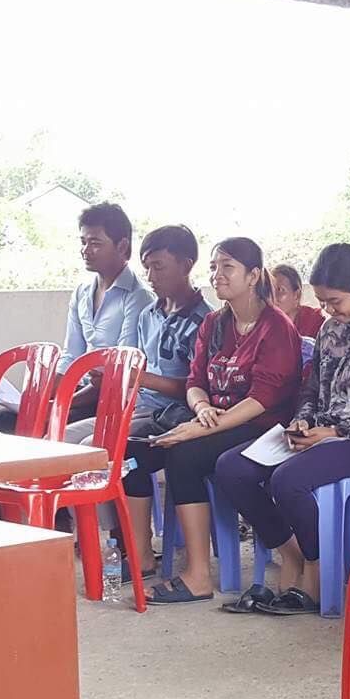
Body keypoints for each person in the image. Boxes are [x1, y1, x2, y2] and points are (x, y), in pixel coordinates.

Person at [213, 244, 350, 616]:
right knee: (232, 468)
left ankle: (317, 569)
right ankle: (291, 551)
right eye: (323, 302)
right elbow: (311, 388)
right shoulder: (329, 329)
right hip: (321, 433)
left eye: (335, 301)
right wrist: (304, 421)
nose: (329, 310)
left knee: (288, 480)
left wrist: (333, 431)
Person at [125, 237, 302, 604]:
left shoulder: (276, 327)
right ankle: (140, 554)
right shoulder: (214, 323)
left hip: (261, 425)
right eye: (214, 267)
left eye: (227, 267)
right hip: (214, 419)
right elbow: (195, 382)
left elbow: (262, 399)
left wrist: (198, 428)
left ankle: (198, 576)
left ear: (253, 276)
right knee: (133, 448)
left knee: (184, 456)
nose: (217, 275)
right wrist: (202, 408)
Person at [95, 224, 213, 579]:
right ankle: (120, 540)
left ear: (186, 265)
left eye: (159, 266)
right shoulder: (149, 315)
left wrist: (141, 378)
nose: (150, 276)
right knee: (87, 447)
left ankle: (138, 550)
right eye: (146, 267)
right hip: (141, 405)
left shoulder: (204, 321)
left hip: (177, 412)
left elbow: (198, 387)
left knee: (116, 449)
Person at [62, 202, 148, 375]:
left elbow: (123, 368)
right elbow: (71, 354)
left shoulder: (138, 297)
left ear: (122, 246)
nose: (85, 250)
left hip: (112, 389)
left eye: (95, 243)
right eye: (83, 242)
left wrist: (67, 392)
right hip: (80, 384)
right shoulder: (81, 293)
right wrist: (53, 386)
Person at [271, 263, 324, 336]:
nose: (273, 296)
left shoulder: (316, 321)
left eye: (280, 290)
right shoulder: (266, 323)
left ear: (297, 295)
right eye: (270, 290)